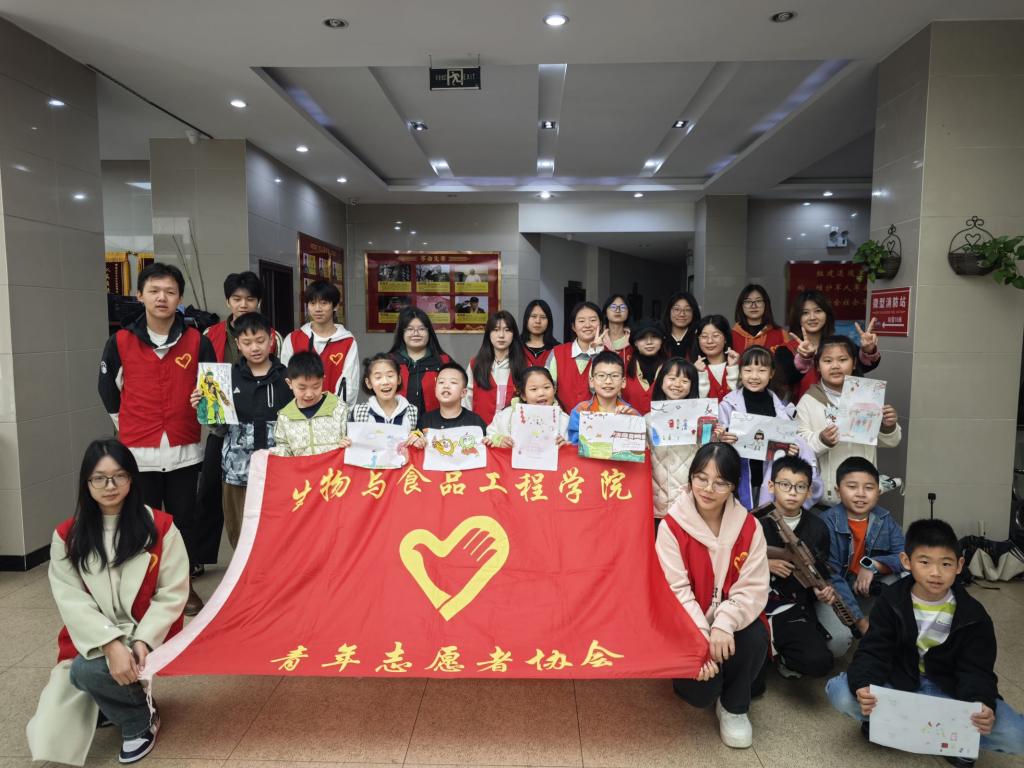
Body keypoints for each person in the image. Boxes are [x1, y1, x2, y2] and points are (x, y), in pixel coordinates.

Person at [28, 439, 188, 766]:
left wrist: (142, 640)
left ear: (132, 479)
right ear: (86, 483)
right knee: (54, 721)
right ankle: (110, 698)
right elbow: (71, 600)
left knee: (88, 671)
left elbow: (172, 593)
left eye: (119, 476)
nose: (110, 486)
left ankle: (139, 720)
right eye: (99, 478)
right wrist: (110, 643)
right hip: (93, 634)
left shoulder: (160, 527)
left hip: (147, 629)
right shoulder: (68, 536)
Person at [826, 519, 1024, 762]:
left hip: (948, 691)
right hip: (899, 685)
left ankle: (935, 734)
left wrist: (980, 703)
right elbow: (874, 651)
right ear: (906, 562)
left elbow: (977, 670)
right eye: (924, 562)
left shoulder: (974, 616)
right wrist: (865, 685)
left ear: (960, 565)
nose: (936, 573)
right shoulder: (891, 601)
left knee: (1017, 735)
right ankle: (914, 729)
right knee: (841, 693)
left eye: (946, 563)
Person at [97, 262, 212, 616]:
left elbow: (214, 393)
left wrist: (202, 407)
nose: (162, 298)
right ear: (140, 295)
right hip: (138, 451)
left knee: (182, 521)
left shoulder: (198, 341)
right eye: (154, 291)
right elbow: (107, 389)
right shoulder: (120, 342)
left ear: (180, 298)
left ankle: (183, 586)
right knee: (141, 521)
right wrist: (127, 424)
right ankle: (143, 589)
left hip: (184, 448)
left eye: (170, 292)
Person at [656, 443, 769, 749]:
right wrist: (701, 638)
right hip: (689, 626)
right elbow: (676, 591)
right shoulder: (671, 527)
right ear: (691, 477)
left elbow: (753, 587)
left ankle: (734, 707)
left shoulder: (750, 527)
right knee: (699, 693)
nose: (708, 489)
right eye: (701, 478)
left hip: (730, 625)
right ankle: (717, 687)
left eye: (720, 482)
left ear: (733, 486)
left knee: (755, 635)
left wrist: (723, 623)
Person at [190, 314, 288, 549]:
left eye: (260, 340)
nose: (255, 347)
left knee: (279, 534)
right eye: (247, 342)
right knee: (241, 535)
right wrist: (204, 409)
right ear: (237, 344)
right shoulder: (225, 379)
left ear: (271, 340)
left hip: (279, 472)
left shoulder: (287, 378)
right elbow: (220, 429)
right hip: (237, 472)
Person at [795, 335, 901, 504]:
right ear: (818, 367)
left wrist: (888, 426)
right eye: (827, 361)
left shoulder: (868, 397)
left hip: (864, 494)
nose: (835, 366)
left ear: (854, 363)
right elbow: (798, 446)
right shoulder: (809, 401)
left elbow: (891, 442)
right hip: (826, 498)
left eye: (843, 360)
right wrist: (822, 440)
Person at [758, 456, 835, 681]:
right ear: (771, 486)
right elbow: (732, 562)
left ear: (809, 491)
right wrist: (765, 564)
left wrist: (822, 590)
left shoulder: (817, 528)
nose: (792, 492)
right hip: (753, 606)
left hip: (794, 607)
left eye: (800, 487)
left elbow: (820, 571)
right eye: (785, 485)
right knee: (748, 679)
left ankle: (783, 657)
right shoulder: (753, 521)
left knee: (819, 662)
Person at [716, 346, 823, 509]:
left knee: (767, 518)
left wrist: (793, 450)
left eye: (761, 370)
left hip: (770, 480)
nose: (754, 376)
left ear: (771, 373)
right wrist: (722, 440)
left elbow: (794, 443)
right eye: (748, 370)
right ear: (740, 372)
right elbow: (714, 446)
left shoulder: (782, 409)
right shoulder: (728, 405)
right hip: (738, 480)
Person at [818, 457, 906, 653]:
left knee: (905, 579)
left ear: (878, 491)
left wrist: (872, 564)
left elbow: (905, 557)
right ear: (838, 491)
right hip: (835, 591)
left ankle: (892, 627)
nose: (860, 494)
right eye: (852, 487)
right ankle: (858, 624)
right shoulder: (826, 522)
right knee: (838, 644)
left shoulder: (884, 518)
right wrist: (860, 621)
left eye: (869, 487)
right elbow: (832, 576)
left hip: (864, 588)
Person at [777, 290, 880, 402]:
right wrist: (804, 358)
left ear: (826, 314)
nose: (812, 317)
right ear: (797, 317)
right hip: (803, 410)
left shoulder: (840, 344)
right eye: (805, 313)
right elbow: (784, 379)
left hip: (842, 409)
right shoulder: (785, 350)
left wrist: (868, 350)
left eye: (818, 311)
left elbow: (862, 367)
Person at [280, 279, 359, 407]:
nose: (317, 309)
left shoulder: (347, 342)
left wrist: (335, 413)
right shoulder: (293, 339)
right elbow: (286, 379)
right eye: (312, 303)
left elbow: (350, 385)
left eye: (324, 303)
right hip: (300, 412)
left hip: (334, 413)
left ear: (335, 306)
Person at [647, 357, 702, 525]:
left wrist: (719, 437)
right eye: (672, 378)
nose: (677, 384)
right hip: (657, 503)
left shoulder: (702, 420)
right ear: (661, 381)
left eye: (685, 381)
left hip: (691, 502)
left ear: (692, 386)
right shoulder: (647, 420)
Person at [271, 352, 351, 457]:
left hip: (333, 467)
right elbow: (284, 450)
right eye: (302, 388)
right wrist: (273, 453)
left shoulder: (339, 409)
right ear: (289, 383)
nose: (309, 394)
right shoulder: (285, 416)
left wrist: (347, 445)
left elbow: (351, 441)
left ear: (323, 380)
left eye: (316, 386)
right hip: (302, 468)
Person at [566, 351, 641, 444]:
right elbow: (574, 443)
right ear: (591, 381)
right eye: (601, 375)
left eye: (615, 376)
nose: (608, 381)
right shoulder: (580, 410)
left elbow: (638, 444)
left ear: (623, 382)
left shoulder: (631, 414)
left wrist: (628, 421)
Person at [467, 311, 527, 426]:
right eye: (496, 330)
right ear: (488, 334)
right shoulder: (475, 365)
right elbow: (466, 401)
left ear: (514, 334)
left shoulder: (525, 365)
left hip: (512, 431)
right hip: (480, 430)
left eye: (507, 330)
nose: (501, 335)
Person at [388, 307, 452, 415]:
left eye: (421, 329)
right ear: (401, 333)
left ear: (429, 332)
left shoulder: (444, 362)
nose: (416, 333)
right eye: (410, 329)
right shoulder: (389, 362)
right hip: (396, 423)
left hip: (436, 423)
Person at [486, 366, 570, 447]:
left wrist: (565, 445)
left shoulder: (564, 420)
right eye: (534, 389)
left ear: (554, 389)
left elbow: (573, 445)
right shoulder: (505, 416)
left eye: (546, 387)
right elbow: (489, 436)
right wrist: (499, 440)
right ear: (523, 395)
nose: (541, 393)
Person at [546, 301, 603, 411]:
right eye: (581, 321)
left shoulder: (608, 355)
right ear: (573, 327)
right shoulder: (557, 353)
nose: (587, 325)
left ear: (600, 325)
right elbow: (547, 389)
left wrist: (597, 353)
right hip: (563, 418)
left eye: (593, 320)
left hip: (598, 418)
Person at [349, 353, 419, 427]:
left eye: (390, 376)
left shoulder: (412, 412)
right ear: (369, 383)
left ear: (399, 379)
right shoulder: (359, 413)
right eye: (378, 377)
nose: (385, 382)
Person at [418, 361, 488, 432]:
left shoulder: (475, 422)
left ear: (463, 392)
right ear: (435, 389)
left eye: (453, 382)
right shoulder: (425, 421)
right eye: (441, 382)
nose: (446, 386)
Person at [622, 319, 667, 415]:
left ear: (661, 341)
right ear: (635, 342)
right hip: (629, 423)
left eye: (654, 337)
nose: (649, 342)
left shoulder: (671, 368)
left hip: (662, 423)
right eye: (642, 338)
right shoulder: (623, 368)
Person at [730, 284, 788, 355]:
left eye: (758, 301)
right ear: (741, 306)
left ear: (765, 304)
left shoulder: (780, 335)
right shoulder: (731, 336)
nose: (753, 306)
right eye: (748, 302)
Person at [693, 315, 739, 401]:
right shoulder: (693, 369)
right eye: (704, 336)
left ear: (725, 338)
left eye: (715, 335)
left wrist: (733, 368)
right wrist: (699, 373)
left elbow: (740, 399)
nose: (709, 341)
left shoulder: (740, 367)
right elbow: (696, 403)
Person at [662, 290, 701, 361]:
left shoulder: (699, 338)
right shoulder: (661, 337)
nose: (682, 314)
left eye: (687, 310)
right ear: (669, 311)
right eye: (677, 309)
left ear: (694, 313)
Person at [521, 299, 560, 366]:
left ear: (549, 321)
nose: (538, 321)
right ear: (526, 319)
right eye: (533, 316)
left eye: (543, 317)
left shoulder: (558, 349)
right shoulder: (516, 346)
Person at [599, 292, 632, 359]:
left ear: (628, 313)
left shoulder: (633, 339)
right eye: (613, 307)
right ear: (605, 312)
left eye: (622, 307)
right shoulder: (598, 338)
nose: (618, 310)